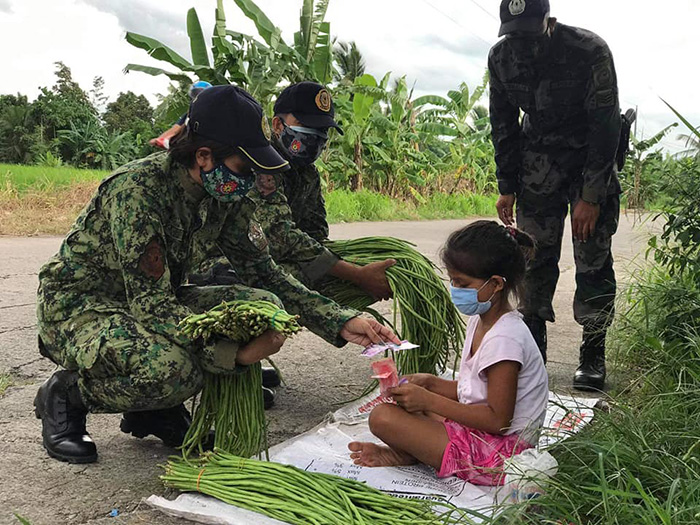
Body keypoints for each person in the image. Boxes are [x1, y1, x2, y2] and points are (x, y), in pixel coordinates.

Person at [34, 85, 400, 464]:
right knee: (173, 370)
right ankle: (67, 394)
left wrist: (341, 322)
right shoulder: (138, 191)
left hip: (150, 300)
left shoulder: (224, 195)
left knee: (263, 306)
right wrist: (231, 355)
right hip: (82, 306)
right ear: (204, 156)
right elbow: (151, 305)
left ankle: (155, 410)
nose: (251, 178)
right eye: (244, 167)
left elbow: (266, 274)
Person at [188, 82, 395, 397]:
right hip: (214, 268)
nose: (314, 141)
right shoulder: (253, 166)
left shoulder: (306, 174)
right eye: (306, 130)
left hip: (256, 259)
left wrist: (343, 312)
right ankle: (228, 371)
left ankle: (242, 365)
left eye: (321, 134)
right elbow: (280, 234)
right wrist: (354, 272)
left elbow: (311, 236)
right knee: (274, 289)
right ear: (276, 125)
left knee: (301, 279)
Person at [348, 221, 548, 486]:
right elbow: (475, 391)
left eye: (462, 283)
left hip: (503, 456)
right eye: (453, 280)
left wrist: (429, 401)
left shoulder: (505, 340)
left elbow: (498, 420)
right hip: (482, 434)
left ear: (496, 284)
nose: (454, 289)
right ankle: (411, 453)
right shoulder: (482, 319)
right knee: (404, 407)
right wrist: (430, 384)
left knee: (383, 418)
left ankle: (410, 453)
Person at [488, 0, 622, 391]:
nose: (521, 43)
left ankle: (592, 354)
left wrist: (592, 196)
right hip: (538, 167)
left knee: (592, 258)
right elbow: (502, 123)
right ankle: (533, 351)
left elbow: (606, 122)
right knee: (532, 258)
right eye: (513, 34)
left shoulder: (589, 50)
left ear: (549, 21)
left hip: (588, 162)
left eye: (530, 32)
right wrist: (507, 186)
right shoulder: (500, 58)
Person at [149, 80, 212, 149]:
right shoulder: (190, 114)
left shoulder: (216, 111)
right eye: (195, 95)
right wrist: (160, 139)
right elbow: (176, 128)